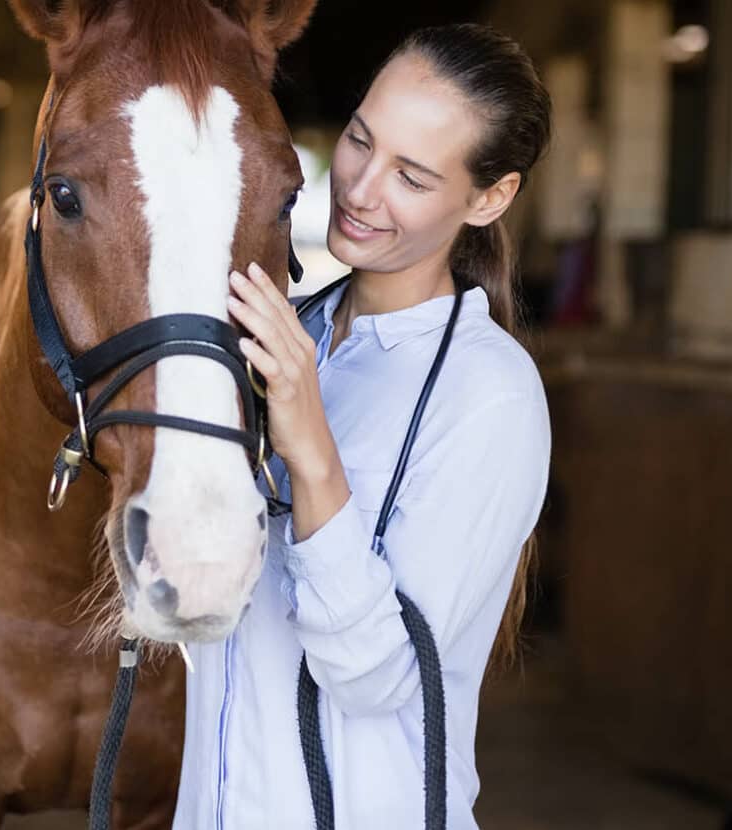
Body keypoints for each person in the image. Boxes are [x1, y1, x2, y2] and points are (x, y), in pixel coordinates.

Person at [173, 23, 553, 829]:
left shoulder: (490, 392)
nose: (360, 187)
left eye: (412, 176)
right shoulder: (286, 336)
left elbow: (374, 675)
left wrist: (310, 449)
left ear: (489, 197)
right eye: (358, 139)